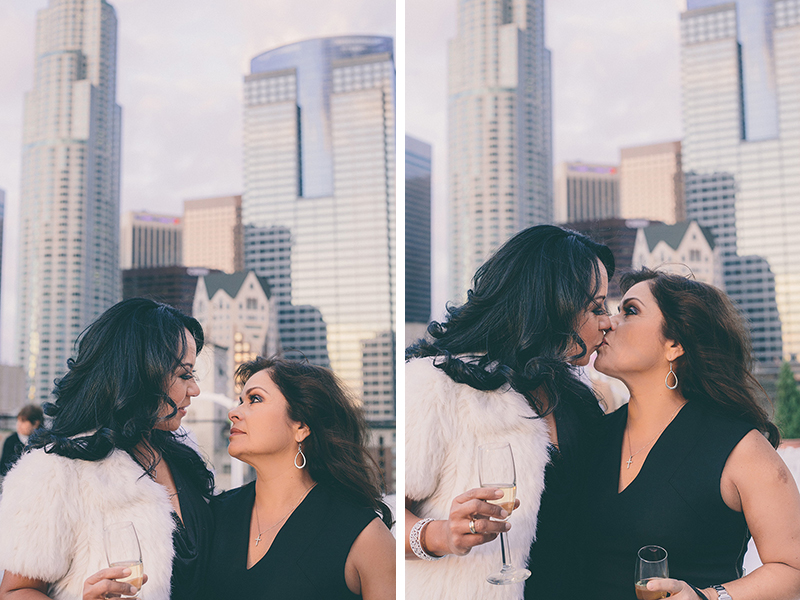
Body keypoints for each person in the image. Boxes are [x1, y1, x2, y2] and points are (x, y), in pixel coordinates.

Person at [405, 224, 615, 600]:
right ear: (552, 303)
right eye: (596, 307)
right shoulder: (437, 384)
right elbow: (375, 515)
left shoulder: (575, 398)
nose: (608, 320)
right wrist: (440, 534)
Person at [584, 268, 800, 599]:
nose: (609, 323)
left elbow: (792, 570)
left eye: (630, 310)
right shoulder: (590, 435)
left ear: (674, 344)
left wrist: (707, 597)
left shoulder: (740, 448)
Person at [0, 298, 215, 600]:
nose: (195, 389)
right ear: (140, 375)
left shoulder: (181, 452)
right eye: (184, 375)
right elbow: (15, 591)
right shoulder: (54, 473)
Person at [206, 357, 395, 600]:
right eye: (240, 401)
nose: (234, 412)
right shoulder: (215, 515)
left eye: (255, 399)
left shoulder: (365, 537)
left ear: (301, 426)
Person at [0, 404, 44, 476]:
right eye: (18, 420)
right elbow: (3, 468)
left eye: (23, 421)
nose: (18, 424)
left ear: (36, 423)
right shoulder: (10, 441)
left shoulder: (43, 442)